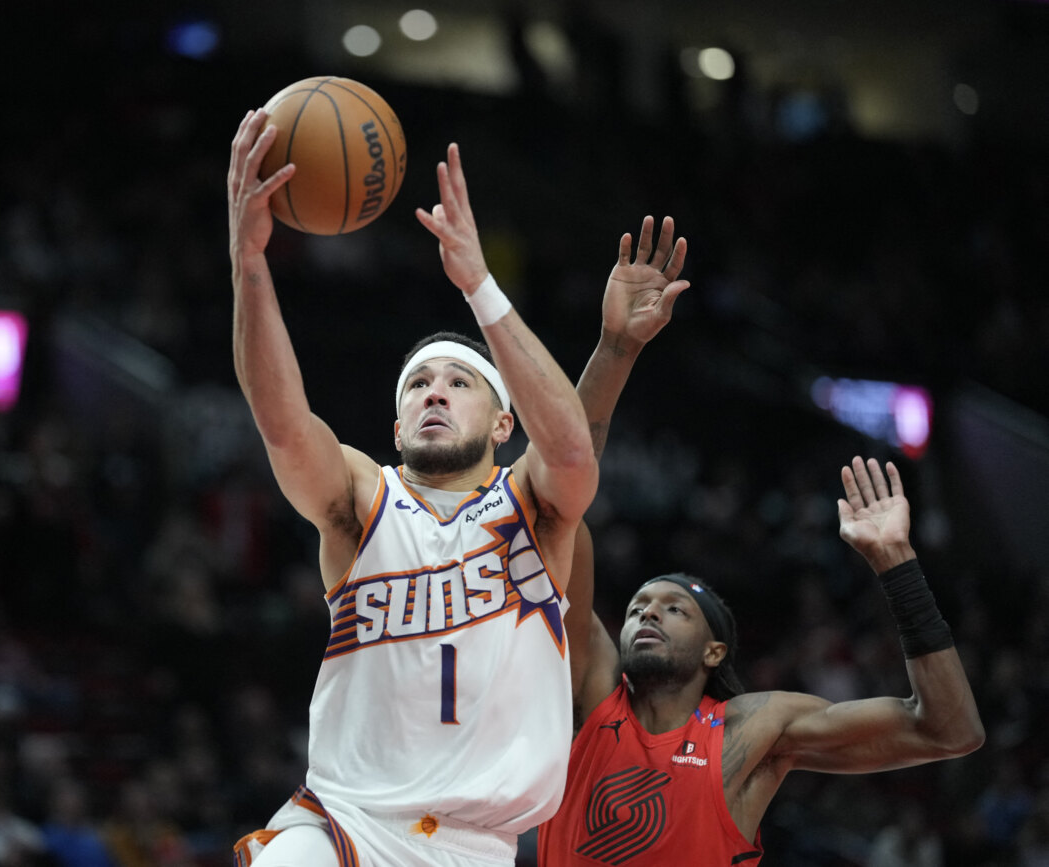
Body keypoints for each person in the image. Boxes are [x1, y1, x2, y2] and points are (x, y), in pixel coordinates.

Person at [534, 218, 986, 864]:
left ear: (715, 648)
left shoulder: (753, 728)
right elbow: (559, 493)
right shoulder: (593, 692)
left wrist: (897, 565)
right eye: (637, 605)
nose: (645, 612)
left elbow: (950, 728)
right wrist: (614, 348)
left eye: (672, 606)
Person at [226, 107, 599, 866]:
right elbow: (285, 427)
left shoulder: (535, 506)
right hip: (345, 819)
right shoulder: (364, 499)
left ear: (502, 423)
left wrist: (480, 286)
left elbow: (570, 448)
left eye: (459, 382)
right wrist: (250, 264)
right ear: (395, 427)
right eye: (417, 384)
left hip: (480, 843)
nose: (433, 392)